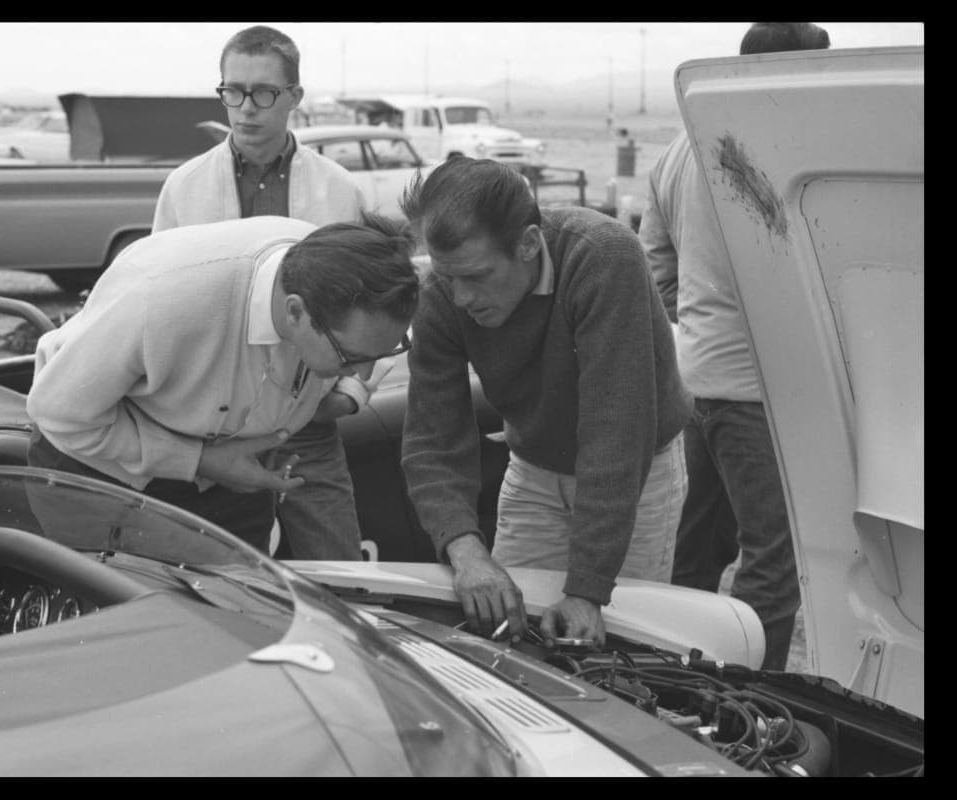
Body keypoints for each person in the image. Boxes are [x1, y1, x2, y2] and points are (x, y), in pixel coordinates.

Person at [399, 157, 691, 647]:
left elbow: (616, 432)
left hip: (635, 474)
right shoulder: (444, 289)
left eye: (476, 276)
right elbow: (432, 439)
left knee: (620, 646)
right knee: (509, 627)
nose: (462, 298)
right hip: (534, 467)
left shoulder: (603, 258)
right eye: (448, 277)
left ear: (529, 243)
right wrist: (467, 554)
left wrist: (588, 589)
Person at [25, 213, 418, 553]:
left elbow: (364, 347)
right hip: (101, 477)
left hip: (231, 482)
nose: (360, 372)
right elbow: (59, 414)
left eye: (382, 355)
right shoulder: (161, 298)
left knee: (237, 622)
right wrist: (199, 460)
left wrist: (350, 393)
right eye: (351, 359)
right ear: (296, 312)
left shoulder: (344, 277)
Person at [638, 22, 830, 670]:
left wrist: (697, 325)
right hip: (758, 395)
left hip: (697, 382)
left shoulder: (677, 151)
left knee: (698, 554)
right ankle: (759, 702)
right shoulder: (782, 152)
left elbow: (654, 263)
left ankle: (677, 682)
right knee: (772, 564)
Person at [151, 25, 382, 560]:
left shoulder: (338, 190)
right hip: (212, 428)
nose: (245, 107)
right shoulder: (184, 188)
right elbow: (157, 303)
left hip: (304, 424)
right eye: (232, 91)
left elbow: (370, 307)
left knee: (341, 578)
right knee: (213, 587)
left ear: (295, 98)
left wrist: (352, 392)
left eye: (263, 93)